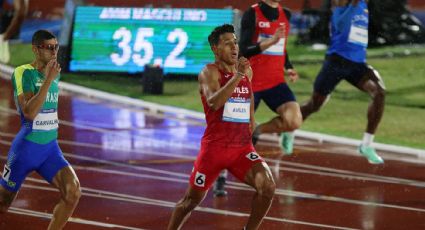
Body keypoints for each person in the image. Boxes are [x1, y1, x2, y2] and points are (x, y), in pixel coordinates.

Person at [167, 24, 276, 230]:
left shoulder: (247, 71)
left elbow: (249, 100)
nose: (234, 47)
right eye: (227, 43)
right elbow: (214, 103)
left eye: (235, 42)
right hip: (214, 150)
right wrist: (237, 76)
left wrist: (252, 124)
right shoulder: (209, 72)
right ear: (215, 49)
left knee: (268, 186)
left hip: (241, 149)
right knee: (190, 202)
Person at [213, 0, 303, 197]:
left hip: (275, 82)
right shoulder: (252, 14)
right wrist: (270, 41)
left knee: (294, 120)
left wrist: (288, 66)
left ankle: (258, 129)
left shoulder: (285, 15)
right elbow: (244, 49)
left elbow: (283, 46)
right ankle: (219, 178)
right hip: (250, 82)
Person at [0, 30, 81, 229]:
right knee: (3, 203)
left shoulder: (55, 73)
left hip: (50, 150)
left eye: (56, 47)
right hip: (25, 150)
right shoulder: (23, 72)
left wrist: (50, 77)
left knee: (73, 192)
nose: (54, 52)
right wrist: (47, 80)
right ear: (36, 50)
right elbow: (28, 112)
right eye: (49, 48)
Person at [300, 0, 385, 164]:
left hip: (357, 65)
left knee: (379, 92)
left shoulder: (364, 4)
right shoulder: (342, 3)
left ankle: (366, 145)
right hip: (336, 62)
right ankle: (290, 128)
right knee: (315, 104)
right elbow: (339, 14)